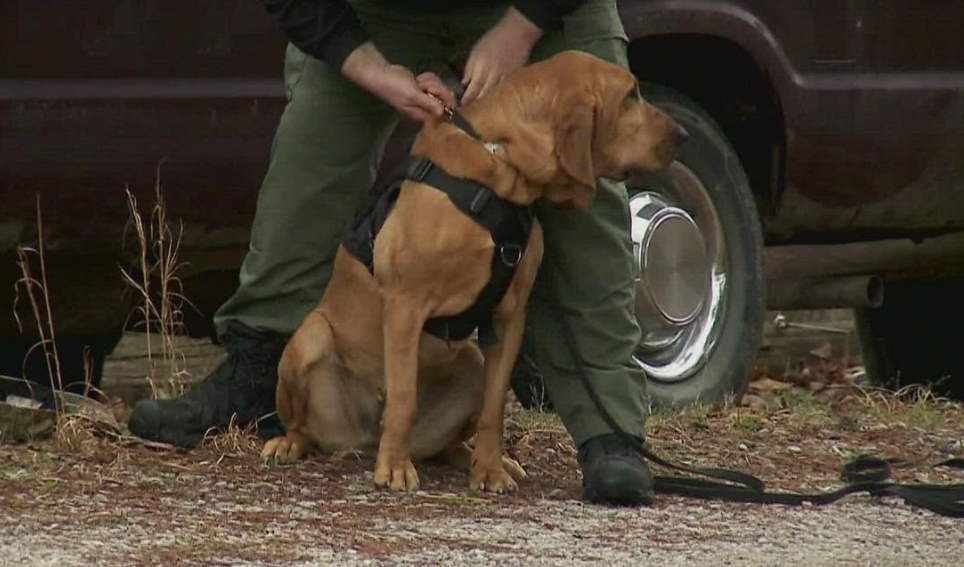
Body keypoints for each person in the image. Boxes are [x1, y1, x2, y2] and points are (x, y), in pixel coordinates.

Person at [129, 0, 655, 506]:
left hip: (536, 9)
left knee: (588, 184)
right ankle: (259, 375)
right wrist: (372, 71)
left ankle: (608, 426)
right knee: (308, 162)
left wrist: (519, 29)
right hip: (380, 12)